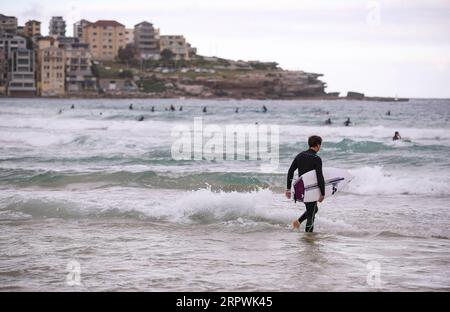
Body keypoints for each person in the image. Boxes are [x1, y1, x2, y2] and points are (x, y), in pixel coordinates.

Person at [286, 136, 325, 233]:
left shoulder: (300, 155)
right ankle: (309, 239)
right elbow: (320, 176)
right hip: (311, 189)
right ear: (318, 145)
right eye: (320, 145)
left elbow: (290, 171)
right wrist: (322, 193)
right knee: (311, 215)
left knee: (313, 210)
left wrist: (288, 188)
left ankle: (298, 222)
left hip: (302, 188)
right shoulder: (316, 158)